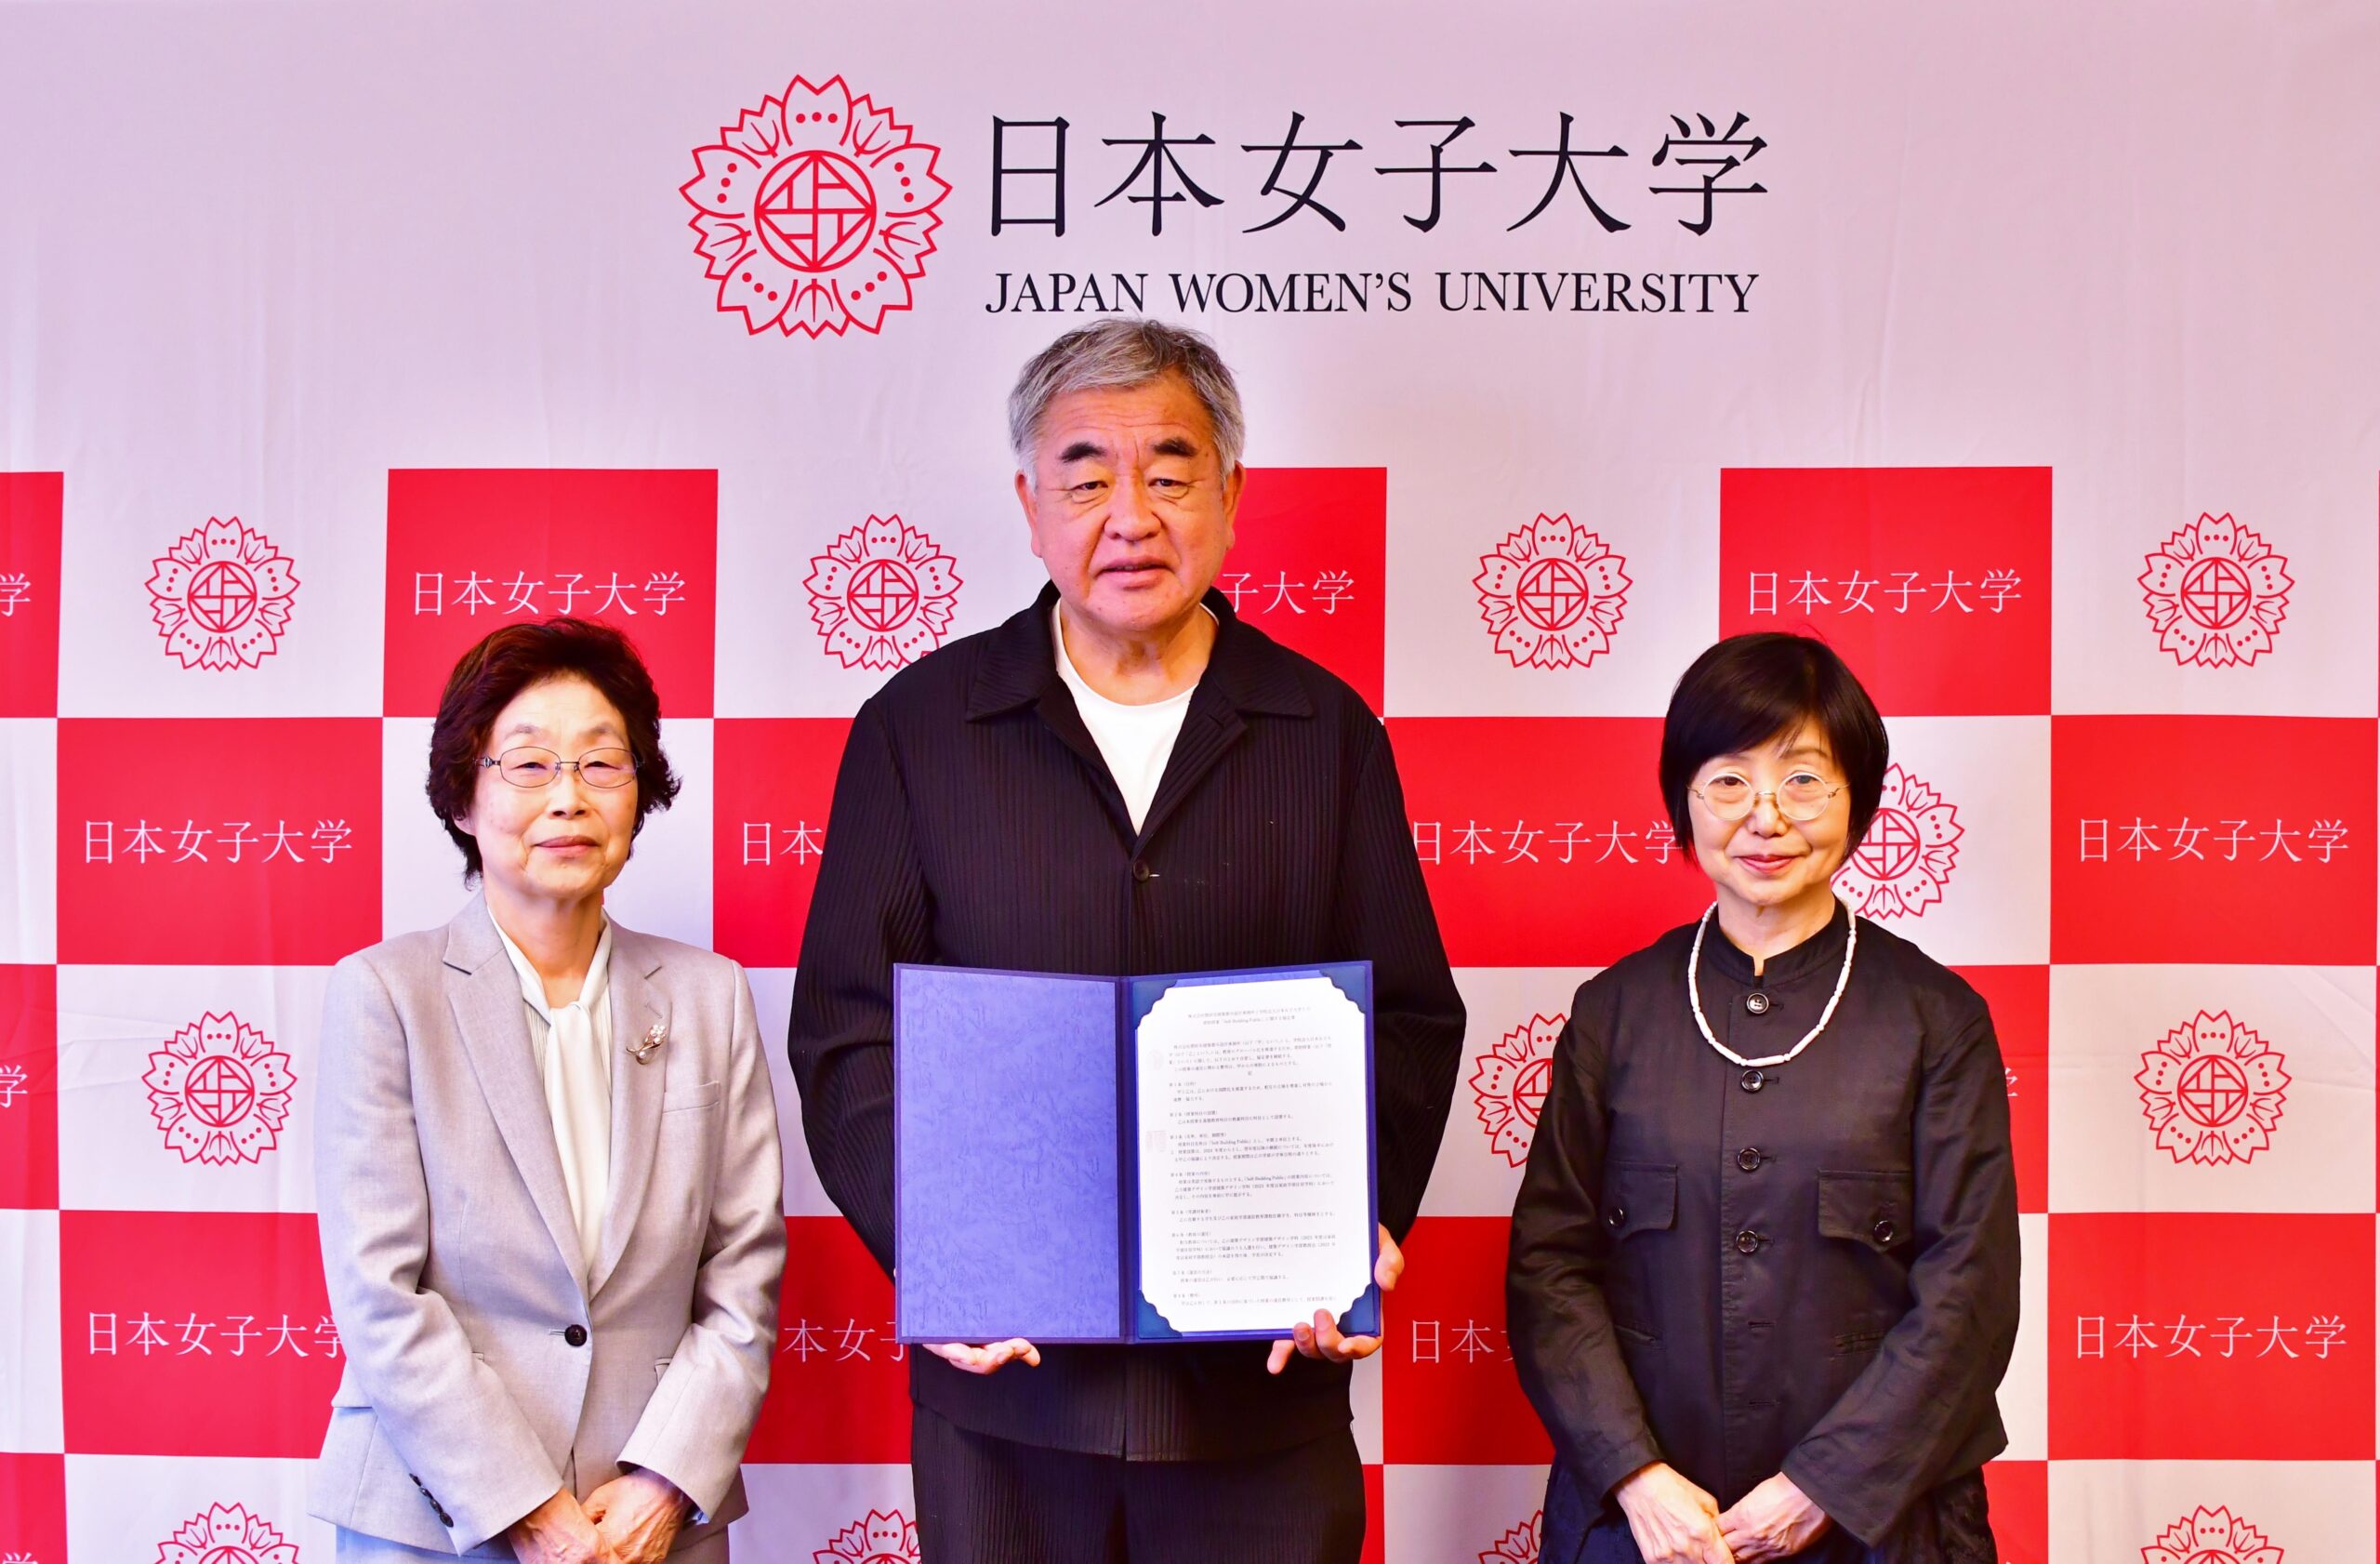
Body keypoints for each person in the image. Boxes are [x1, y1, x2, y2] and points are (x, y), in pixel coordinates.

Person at [788, 318, 1465, 1564]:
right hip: (1009, 1397)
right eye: (1087, 475)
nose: (1131, 516)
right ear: (1029, 505)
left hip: (1257, 1390)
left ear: (1231, 493)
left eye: (1168, 471)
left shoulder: (1324, 729)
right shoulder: (920, 726)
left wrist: (1346, 1225)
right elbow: (848, 1028)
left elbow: (1410, 1019)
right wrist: (940, 1251)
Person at [1507, 632, 2018, 1564]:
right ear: (1685, 799)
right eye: (1730, 781)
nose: (1766, 816)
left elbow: (1970, 1292)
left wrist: (1821, 1487)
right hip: (1647, 1530)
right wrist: (1635, 1476)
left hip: (1876, 1527)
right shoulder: (1615, 1011)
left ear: (1857, 796)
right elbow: (1549, 1265)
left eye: (1803, 779)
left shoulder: (1937, 1019)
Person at [311, 618, 786, 1564]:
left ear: (640, 793)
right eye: (528, 765)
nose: (568, 796)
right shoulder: (386, 994)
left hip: (650, 1524)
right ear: (463, 796)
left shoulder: (710, 996)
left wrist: (664, 1483)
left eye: (602, 764)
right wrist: (523, 1503)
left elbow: (744, 1270)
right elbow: (378, 1291)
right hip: (433, 1517)